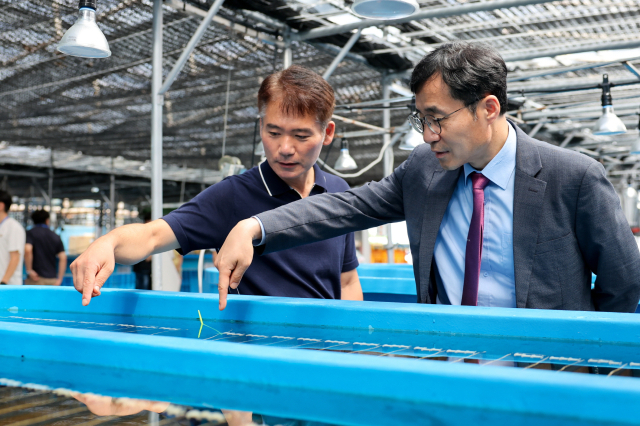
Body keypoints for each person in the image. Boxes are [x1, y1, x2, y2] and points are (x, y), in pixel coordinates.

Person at [215, 42, 640, 313]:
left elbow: (624, 284)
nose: (428, 135)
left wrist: (586, 360)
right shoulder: (425, 169)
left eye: (437, 119)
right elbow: (347, 207)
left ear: (488, 108)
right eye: (421, 119)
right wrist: (256, 225)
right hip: (448, 373)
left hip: (546, 381)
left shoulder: (574, 177)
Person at [71, 65, 362, 307]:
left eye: (300, 135)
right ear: (260, 126)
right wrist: (107, 243)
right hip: (257, 354)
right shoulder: (233, 195)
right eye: (273, 132)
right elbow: (152, 235)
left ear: (328, 133)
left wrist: (355, 348)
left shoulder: (338, 191)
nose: (284, 148)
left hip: (325, 351)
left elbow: (347, 279)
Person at [25, 209, 67, 286]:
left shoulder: (30, 233)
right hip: (52, 280)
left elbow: (27, 249)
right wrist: (60, 279)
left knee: (35, 298)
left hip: (36, 278)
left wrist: (29, 270)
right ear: (47, 220)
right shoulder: (55, 236)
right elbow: (63, 257)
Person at [0, 190, 26, 286]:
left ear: (1, 206)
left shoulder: (14, 227)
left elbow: (15, 258)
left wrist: (3, 282)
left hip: (8, 286)